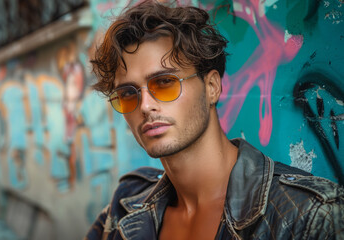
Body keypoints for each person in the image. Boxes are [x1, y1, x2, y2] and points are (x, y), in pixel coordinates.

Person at [85, 1, 344, 239]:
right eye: (128, 94)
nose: (145, 106)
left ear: (211, 87)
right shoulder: (124, 213)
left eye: (164, 83)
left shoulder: (310, 216)